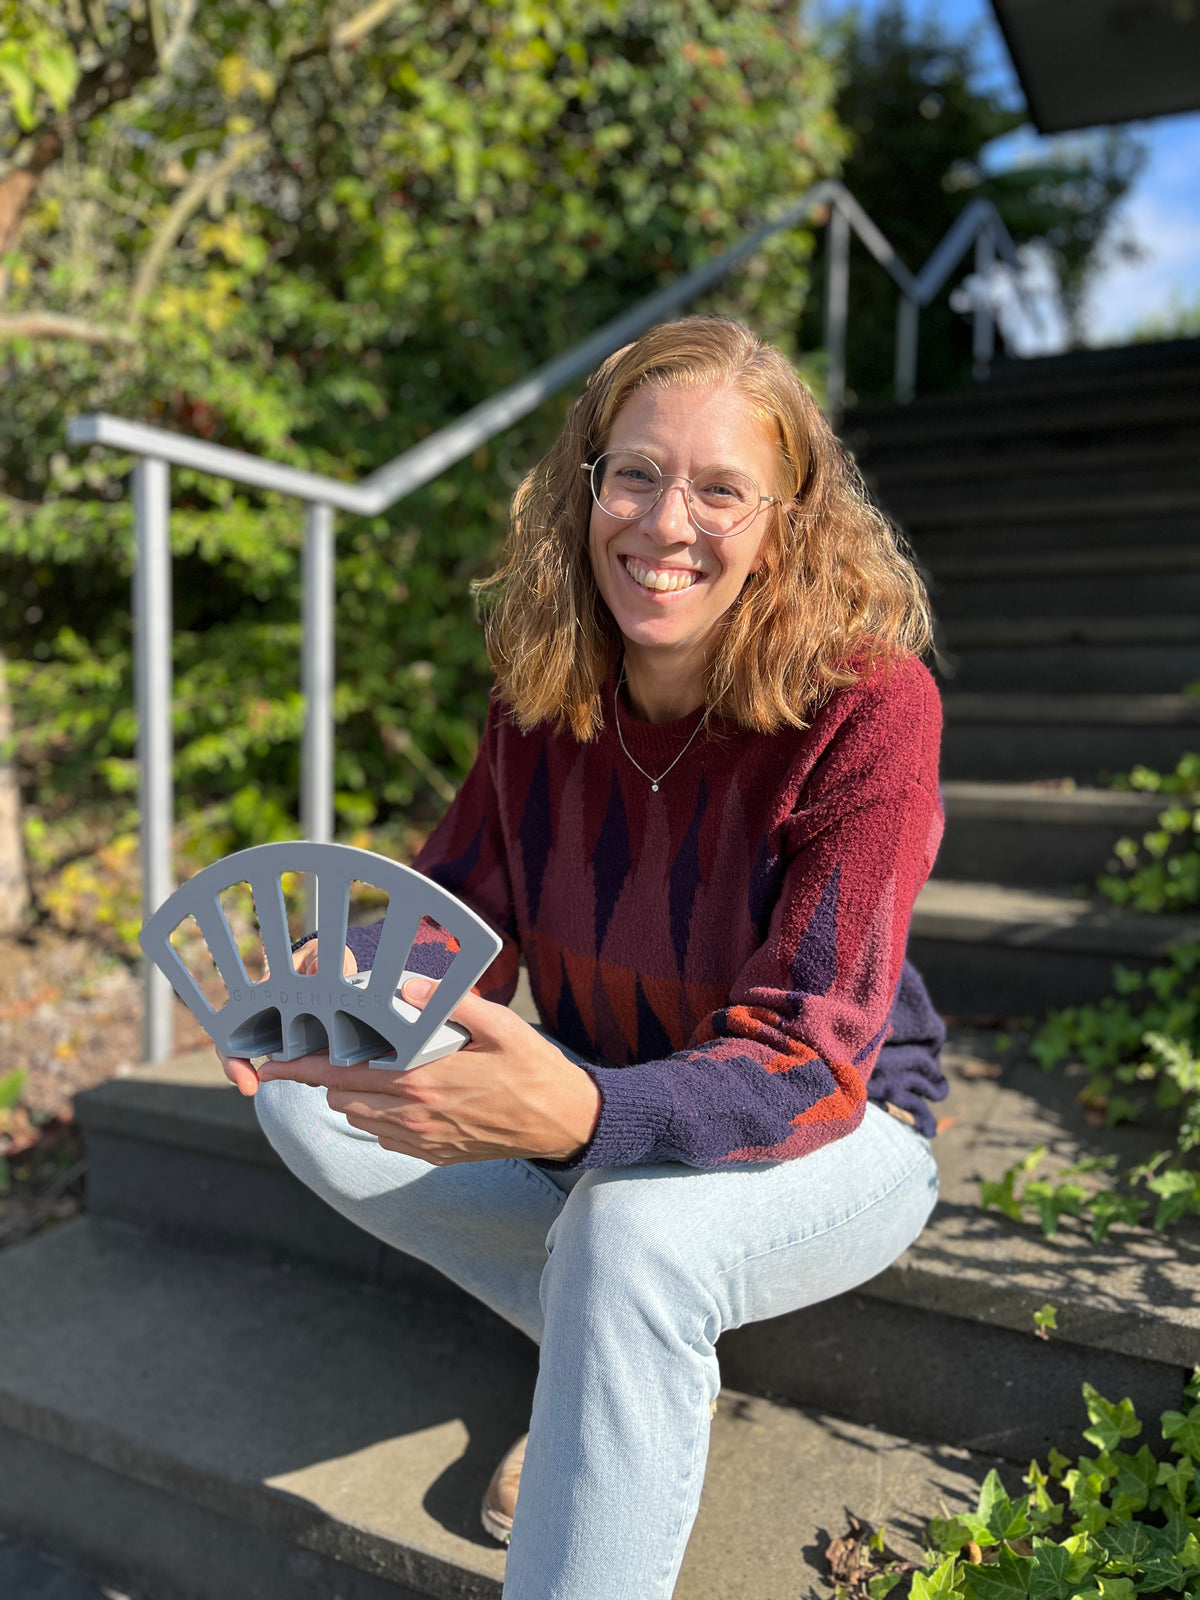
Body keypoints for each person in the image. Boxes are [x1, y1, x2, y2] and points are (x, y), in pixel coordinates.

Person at [219, 315, 948, 1599]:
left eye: (721, 489)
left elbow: (812, 1054)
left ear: (786, 523)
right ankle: (625, 1367)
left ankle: (619, 1352)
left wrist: (591, 1116)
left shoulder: (870, 706)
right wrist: (331, 983)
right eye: (636, 474)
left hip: (837, 1123)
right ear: (585, 486)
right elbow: (462, 910)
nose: (667, 523)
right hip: (605, 1089)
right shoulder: (541, 690)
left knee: (631, 1236)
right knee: (310, 1103)